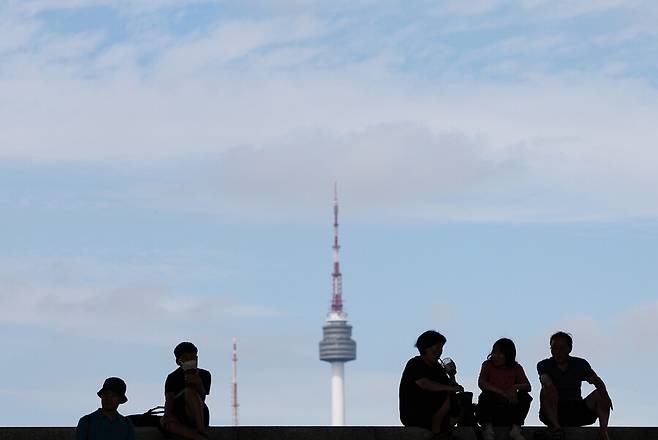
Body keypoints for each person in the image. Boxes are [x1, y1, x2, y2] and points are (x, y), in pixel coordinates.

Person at [537, 331, 613, 440]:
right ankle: (557, 428)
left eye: (561, 348)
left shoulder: (580, 364)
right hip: (555, 411)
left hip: (576, 410)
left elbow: (596, 381)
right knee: (545, 389)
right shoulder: (544, 364)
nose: (557, 352)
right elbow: (544, 379)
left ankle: (603, 432)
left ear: (569, 349)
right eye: (554, 348)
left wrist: (605, 396)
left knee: (600, 393)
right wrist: (548, 384)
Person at [399, 330, 465, 439]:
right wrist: (449, 388)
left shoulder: (437, 367)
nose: (439, 351)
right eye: (436, 348)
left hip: (433, 412)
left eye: (441, 348)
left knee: (462, 399)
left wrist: (452, 375)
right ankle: (437, 432)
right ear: (426, 347)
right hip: (415, 412)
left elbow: (450, 387)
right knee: (443, 395)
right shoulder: (415, 363)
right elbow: (424, 384)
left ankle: (448, 425)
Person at [476, 338, 532, 440]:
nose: (496, 356)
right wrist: (502, 392)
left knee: (525, 396)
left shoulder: (516, 368)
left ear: (508, 355)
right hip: (492, 408)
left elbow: (528, 386)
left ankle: (515, 429)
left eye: (500, 353)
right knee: (485, 395)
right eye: (494, 352)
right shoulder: (487, 365)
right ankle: (487, 429)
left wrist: (514, 387)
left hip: (509, 409)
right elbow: (482, 383)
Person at [161, 342, 212, 440]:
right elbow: (169, 399)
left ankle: (200, 428)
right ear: (178, 361)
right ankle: (198, 437)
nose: (190, 360)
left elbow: (202, 398)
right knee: (165, 422)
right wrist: (167, 415)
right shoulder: (173, 377)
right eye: (185, 358)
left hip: (198, 414)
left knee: (190, 392)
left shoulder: (205, 374)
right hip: (179, 414)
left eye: (192, 357)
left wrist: (199, 384)